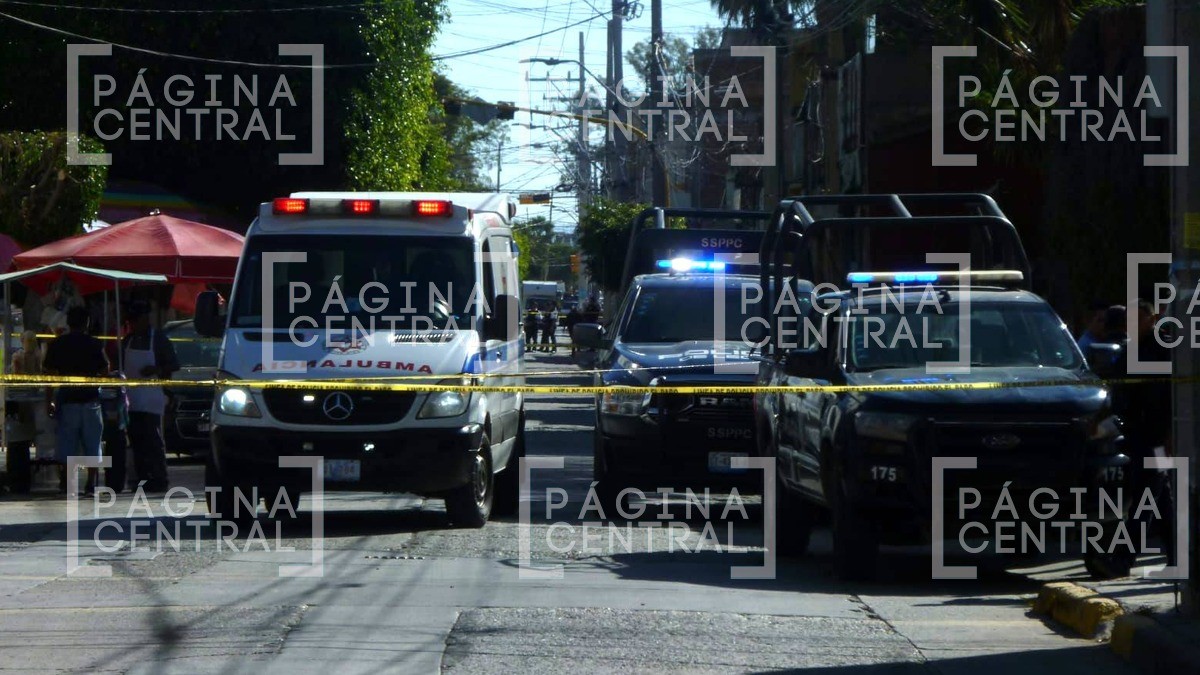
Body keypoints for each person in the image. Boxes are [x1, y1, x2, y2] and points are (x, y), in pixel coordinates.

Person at [42, 307, 108, 495]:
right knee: (92, 444)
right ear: (86, 323)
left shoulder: (57, 344)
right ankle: (91, 483)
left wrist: (49, 401)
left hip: (67, 400)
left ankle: (67, 483)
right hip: (91, 400)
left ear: (68, 322)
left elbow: (49, 376)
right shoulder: (94, 343)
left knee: (67, 444)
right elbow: (105, 369)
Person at [122, 301, 179, 493]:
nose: (132, 325)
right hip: (132, 400)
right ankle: (142, 479)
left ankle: (160, 479)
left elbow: (174, 364)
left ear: (144, 319)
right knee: (136, 441)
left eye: (135, 321)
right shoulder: (128, 340)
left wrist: (156, 369)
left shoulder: (159, 339)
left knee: (153, 440)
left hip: (152, 398)